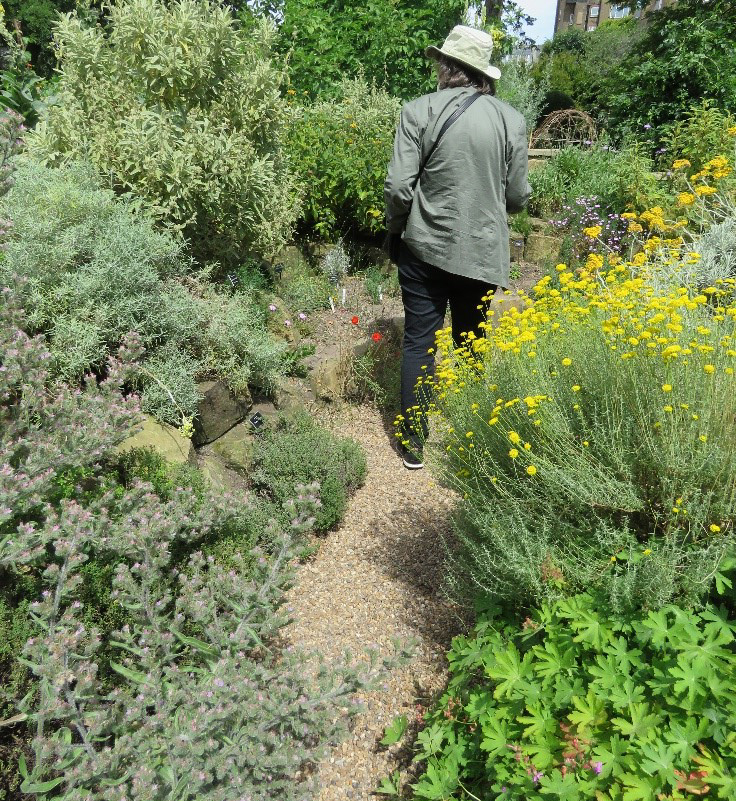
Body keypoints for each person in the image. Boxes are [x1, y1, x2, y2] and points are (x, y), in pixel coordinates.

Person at [384, 25, 531, 470]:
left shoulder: (417, 111)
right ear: (483, 72)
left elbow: (398, 188)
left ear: (447, 66)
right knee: (472, 341)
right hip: (482, 250)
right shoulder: (510, 120)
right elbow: (517, 197)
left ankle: (413, 443)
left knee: (419, 342)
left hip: (424, 246)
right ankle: (471, 438)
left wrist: (397, 230)